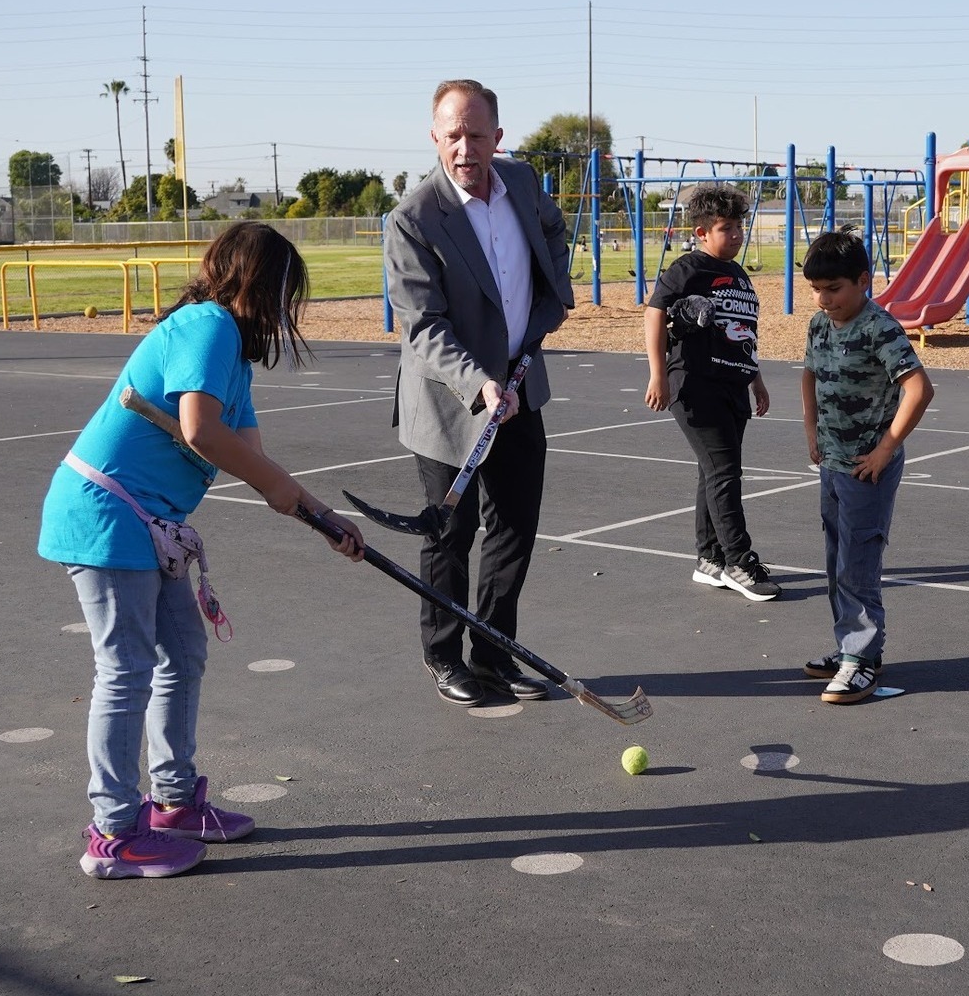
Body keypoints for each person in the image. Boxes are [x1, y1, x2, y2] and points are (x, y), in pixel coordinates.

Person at [37, 222, 366, 880]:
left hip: (145, 525)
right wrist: (279, 487)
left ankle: (173, 801)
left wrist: (324, 518)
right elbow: (200, 430)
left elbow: (255, 460)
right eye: (281, 291)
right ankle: (112, 831)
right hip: (107, 513)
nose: (285, 308)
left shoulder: (231, 359)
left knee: (181, 652)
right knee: (126, 667)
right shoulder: (207, 325)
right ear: (254, 282)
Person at [386, 79, 573, 709]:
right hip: (450, 403)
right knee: (451, 533)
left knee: (514, 528)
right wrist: (478, 383)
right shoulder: (413, 219)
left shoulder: (520, 182)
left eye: (476, 134)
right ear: (435, 136)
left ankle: (493, 656)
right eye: (453, 135)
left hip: (521, 387)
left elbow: (554, 229)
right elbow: (423, 327)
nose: (465, 148)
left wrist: (554, 295)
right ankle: (444, 657)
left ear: (498, 135)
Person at [798, 230, 934, 704]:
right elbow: (810, 374)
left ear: (863, 280)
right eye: (816, 289)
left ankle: (864, 660)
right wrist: (812, 431)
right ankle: (847, 647)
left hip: (865, 469)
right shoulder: (819, 324)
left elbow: (919, 389)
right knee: (837, 561)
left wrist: (886, 448)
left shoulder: (881, 328)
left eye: (833, 289)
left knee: (859, 563)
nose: (823, 299)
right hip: (832, 462)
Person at [643, 184, 778, 601]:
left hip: (733, 386)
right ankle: (739, 560)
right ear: (702, 233)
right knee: (724, 472)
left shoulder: (739, 275)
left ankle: (710, 559)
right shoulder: (688, 268)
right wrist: (657, 374)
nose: (737, 235)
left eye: (739, 226)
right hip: (695, 385)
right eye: (726, 228)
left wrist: (755, 378)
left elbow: (741, 335)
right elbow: (654, 313)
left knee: (712, 472)